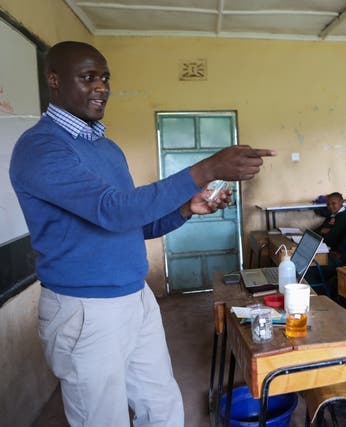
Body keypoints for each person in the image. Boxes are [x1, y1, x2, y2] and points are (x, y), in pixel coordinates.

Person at [9, 41, 275, 427]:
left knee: (163, 408)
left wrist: (186, 207)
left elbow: (135, 222)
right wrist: (207, 168)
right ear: (54, 80)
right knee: (103, 419)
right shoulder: (40, 148)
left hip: (136, 299)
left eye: (105, 78)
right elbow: (113, 210)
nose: (101, 87)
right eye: (88, 77)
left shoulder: (107, 149)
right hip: (86, 310)